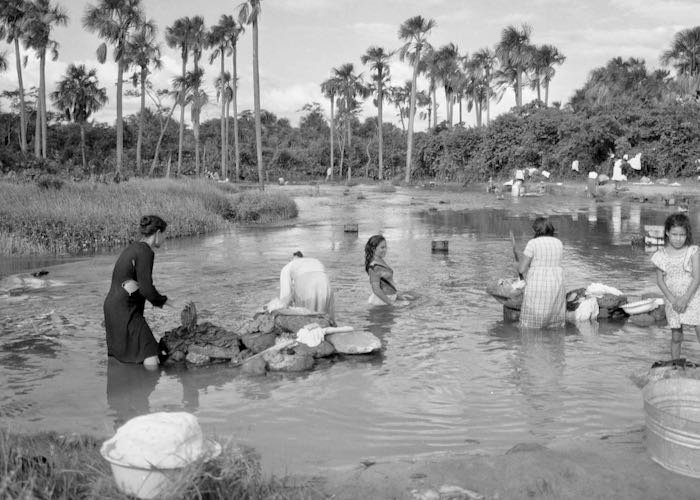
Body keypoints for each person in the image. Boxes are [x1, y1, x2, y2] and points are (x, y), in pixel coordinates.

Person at [104, 215, 172, 368]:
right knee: (150, 355)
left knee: (118, 355)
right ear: (158, 233)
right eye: (165, 234)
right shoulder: (146, 252)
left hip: (112, 308)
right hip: (125, 310)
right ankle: (151, 384)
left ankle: (128, 389)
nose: (165, 238)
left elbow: (136, 285)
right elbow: (146, 289)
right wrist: (164, 301)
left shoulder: (134, 247)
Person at [651, 213, 700, 360]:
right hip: (672, 300)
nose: (678, 238)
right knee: (676, 336)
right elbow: (660, 281)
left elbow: (697, 277)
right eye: (674, 234)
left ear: (687, 234)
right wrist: (673, 300)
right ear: (667, 232)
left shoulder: (693, 251)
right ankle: (676, 365)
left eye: (682, 235)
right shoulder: (661, 255)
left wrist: (685, 299)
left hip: (693, 297)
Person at [518, 217, 566, 329]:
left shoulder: (533, 243)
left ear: (536, 230)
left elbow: (521, 269)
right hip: (556, 284)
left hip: (538, 284)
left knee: (530, 324)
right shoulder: (559, 243)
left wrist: (516, 265)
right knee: (554, 321)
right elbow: (546, 261)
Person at [279, 251, 335, 321]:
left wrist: (283, 310)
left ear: (292, 259)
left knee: (306, 319)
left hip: (306, 284)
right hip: (325, 284)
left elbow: (285, 297)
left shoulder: (288, 266)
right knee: (326, 318)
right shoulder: (315, 261)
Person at [365, 234, 406, 306]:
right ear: (374, 249)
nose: (385, 250)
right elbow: (376, 290)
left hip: (388, 300)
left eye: (386, 247)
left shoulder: (380, 260)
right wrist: (392, 303)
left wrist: (397, 295)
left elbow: (387, 282)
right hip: (381, 302)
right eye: (382, 247)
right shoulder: (374, 266)